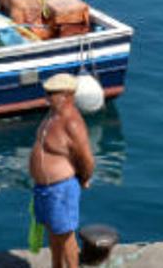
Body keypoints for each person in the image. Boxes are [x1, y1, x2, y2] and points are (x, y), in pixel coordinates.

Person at [29, 73, 96, 268]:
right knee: (53, 230)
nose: (47, 97)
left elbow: (87, 158)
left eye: (51, 93)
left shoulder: (72, 123)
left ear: (67, 95)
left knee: (66, 235)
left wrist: (84, 178)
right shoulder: (52, 114)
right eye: (46, 92)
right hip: (44, 188)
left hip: (60, 189)